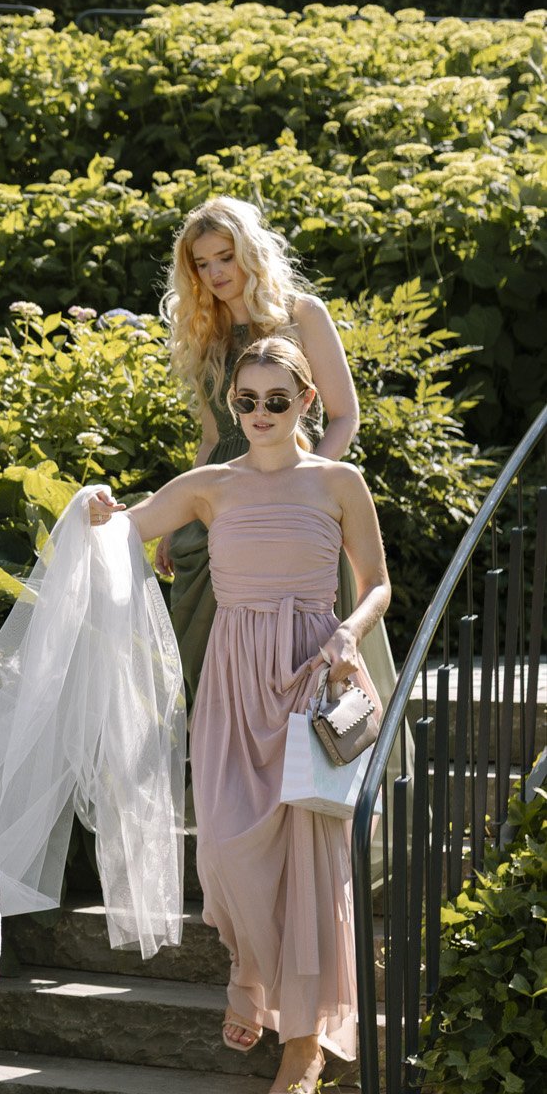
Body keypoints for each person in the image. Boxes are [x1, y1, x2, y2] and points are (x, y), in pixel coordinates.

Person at [88, 335, 391, 1094]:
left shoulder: (337, 481)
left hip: (310, 669)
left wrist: (348, 632)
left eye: (276, 401)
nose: (259, 415)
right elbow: (123, 531)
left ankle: (301, 1046)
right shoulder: (207, 485)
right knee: (225, 848)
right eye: (245, 402)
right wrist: (97, 511)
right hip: (229, 678)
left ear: (305, 404)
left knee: (308, 859)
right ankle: (252, 980)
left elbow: (377, 585)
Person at [160, 197, 398, 718]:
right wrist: (175, 519)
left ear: (250, 251)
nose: (216, 272)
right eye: (202, 264)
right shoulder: (205, 331)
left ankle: (313, 780)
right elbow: (209, 438)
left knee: (306, 666)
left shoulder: (301, 314)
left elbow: (344, 416)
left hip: (298, 496)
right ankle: (216, 775)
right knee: (200, 651)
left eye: (225, 256)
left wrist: (307, 487)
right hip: (221, 500)